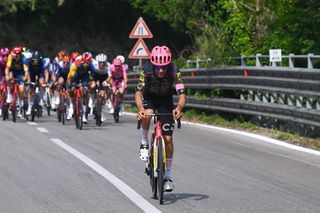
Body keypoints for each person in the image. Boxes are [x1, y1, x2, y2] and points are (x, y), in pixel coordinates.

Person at [135, 45, 186, 192]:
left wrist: (178, 108)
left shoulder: (174, 70)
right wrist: (141, 109)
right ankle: (144, 142)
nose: (161, 70)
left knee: (168, 139)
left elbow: (182, 94)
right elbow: (138, 93)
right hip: (149, 97)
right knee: (148, 114)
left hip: (165, 100)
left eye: (164, 67)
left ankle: (167, 176)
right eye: (158, 67)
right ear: (153, 65)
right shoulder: (146, 70)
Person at [67, 52, 95, 122]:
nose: (85, 64)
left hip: (85, 78)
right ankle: (71, 106)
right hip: (75, 76)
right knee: (72, 89)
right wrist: (70, 85)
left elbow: (92, 75)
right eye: (84, 63)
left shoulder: (91, 66)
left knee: (85, 92)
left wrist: (91, 82)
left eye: (87, 63)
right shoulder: (76, 64)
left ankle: (84, 112)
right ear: (81, 61)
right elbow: (70, 76)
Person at [5, 46, 29, 118]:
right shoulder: (10, 57)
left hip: (20, 73)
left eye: (18, 54)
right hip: (12, 71)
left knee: (21, 89)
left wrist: (25, 77)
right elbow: (7, 68)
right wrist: (6, 75)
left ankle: (20, 104)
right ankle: (9, 95)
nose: (16, 55)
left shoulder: (24, 58)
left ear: (20, 54)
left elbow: (26, 71)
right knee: (9, 77)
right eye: (15, 54)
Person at [91, 53, 110, 122]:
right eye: (100, 62)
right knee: (92, 86)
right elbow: (90, 74)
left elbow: (110, 77)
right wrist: (93, 81)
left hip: (104, 77)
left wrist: (106, 82)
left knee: (102, 94)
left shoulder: (108, 66)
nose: (102, 64)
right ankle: (92, 101)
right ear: (97, 62)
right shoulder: (93, 64)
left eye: (103, 62)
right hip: (95, 76)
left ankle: (102, 113)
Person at [0, 47, 10, 116]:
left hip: (9, 73)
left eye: (7, 55)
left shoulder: (11, 60)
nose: (5, 57)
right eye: (3, 56)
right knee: (0, 88)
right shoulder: (0, 61)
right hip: (1, 74)